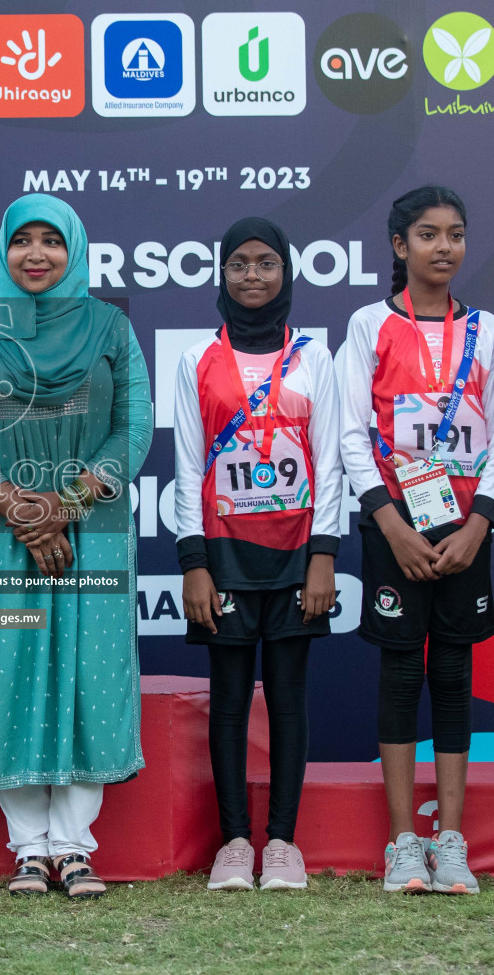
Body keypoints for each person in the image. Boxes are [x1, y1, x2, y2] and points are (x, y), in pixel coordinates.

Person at [0, 193, 153, 900]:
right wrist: (22, 507)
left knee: (90, 674)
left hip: (94, 529)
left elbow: (133, 428)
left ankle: (75, 847)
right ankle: (28, 848)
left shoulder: (111, 327)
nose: (36, 254)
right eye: (22, 240)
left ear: (74, 250)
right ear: (2, 249)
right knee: (4, 674)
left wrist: (67, 504)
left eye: (50, 242)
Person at [338, 186, 494, 895]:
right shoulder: (369, 323)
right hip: (394, 531)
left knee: (456, 679)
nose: (445, 247)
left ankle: (452, 842)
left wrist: (479, 523)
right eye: (429, 234)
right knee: (402, 675)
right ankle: (404, 844)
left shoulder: (491, 331)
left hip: (465, 530)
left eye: (457, 234)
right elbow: (349, 433)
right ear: (400, 246)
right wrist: (391, 524)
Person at [174, 217, 342, 891]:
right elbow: (188, 470)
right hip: (225, 555)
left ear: (286, 273)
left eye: (266, 263)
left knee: (290, 697)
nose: (252, 275)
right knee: (230, 699)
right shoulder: (196, 360)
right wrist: (193, 562)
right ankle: (236, 842)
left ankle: (282, 843)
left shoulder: (313, 358)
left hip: (296, 553)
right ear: (221, 273)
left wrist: (324, 556)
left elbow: (328, 468)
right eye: (239, 263)